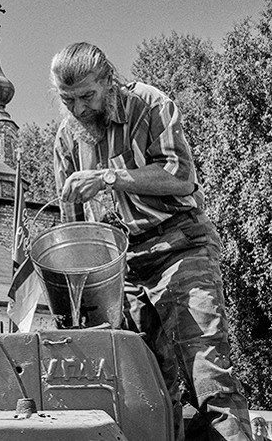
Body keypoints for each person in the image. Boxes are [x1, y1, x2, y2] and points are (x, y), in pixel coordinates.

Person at [50, 42, 252, 441]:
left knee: (208, 376)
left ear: (109, 81)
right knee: (149, 390)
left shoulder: (149, 104)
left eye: (87, 96)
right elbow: (73, 231)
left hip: (180, 246)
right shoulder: (66, 141)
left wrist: (108, 177)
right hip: (122, 270)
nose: (78, 110)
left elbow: (180, 176)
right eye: (67, 100)